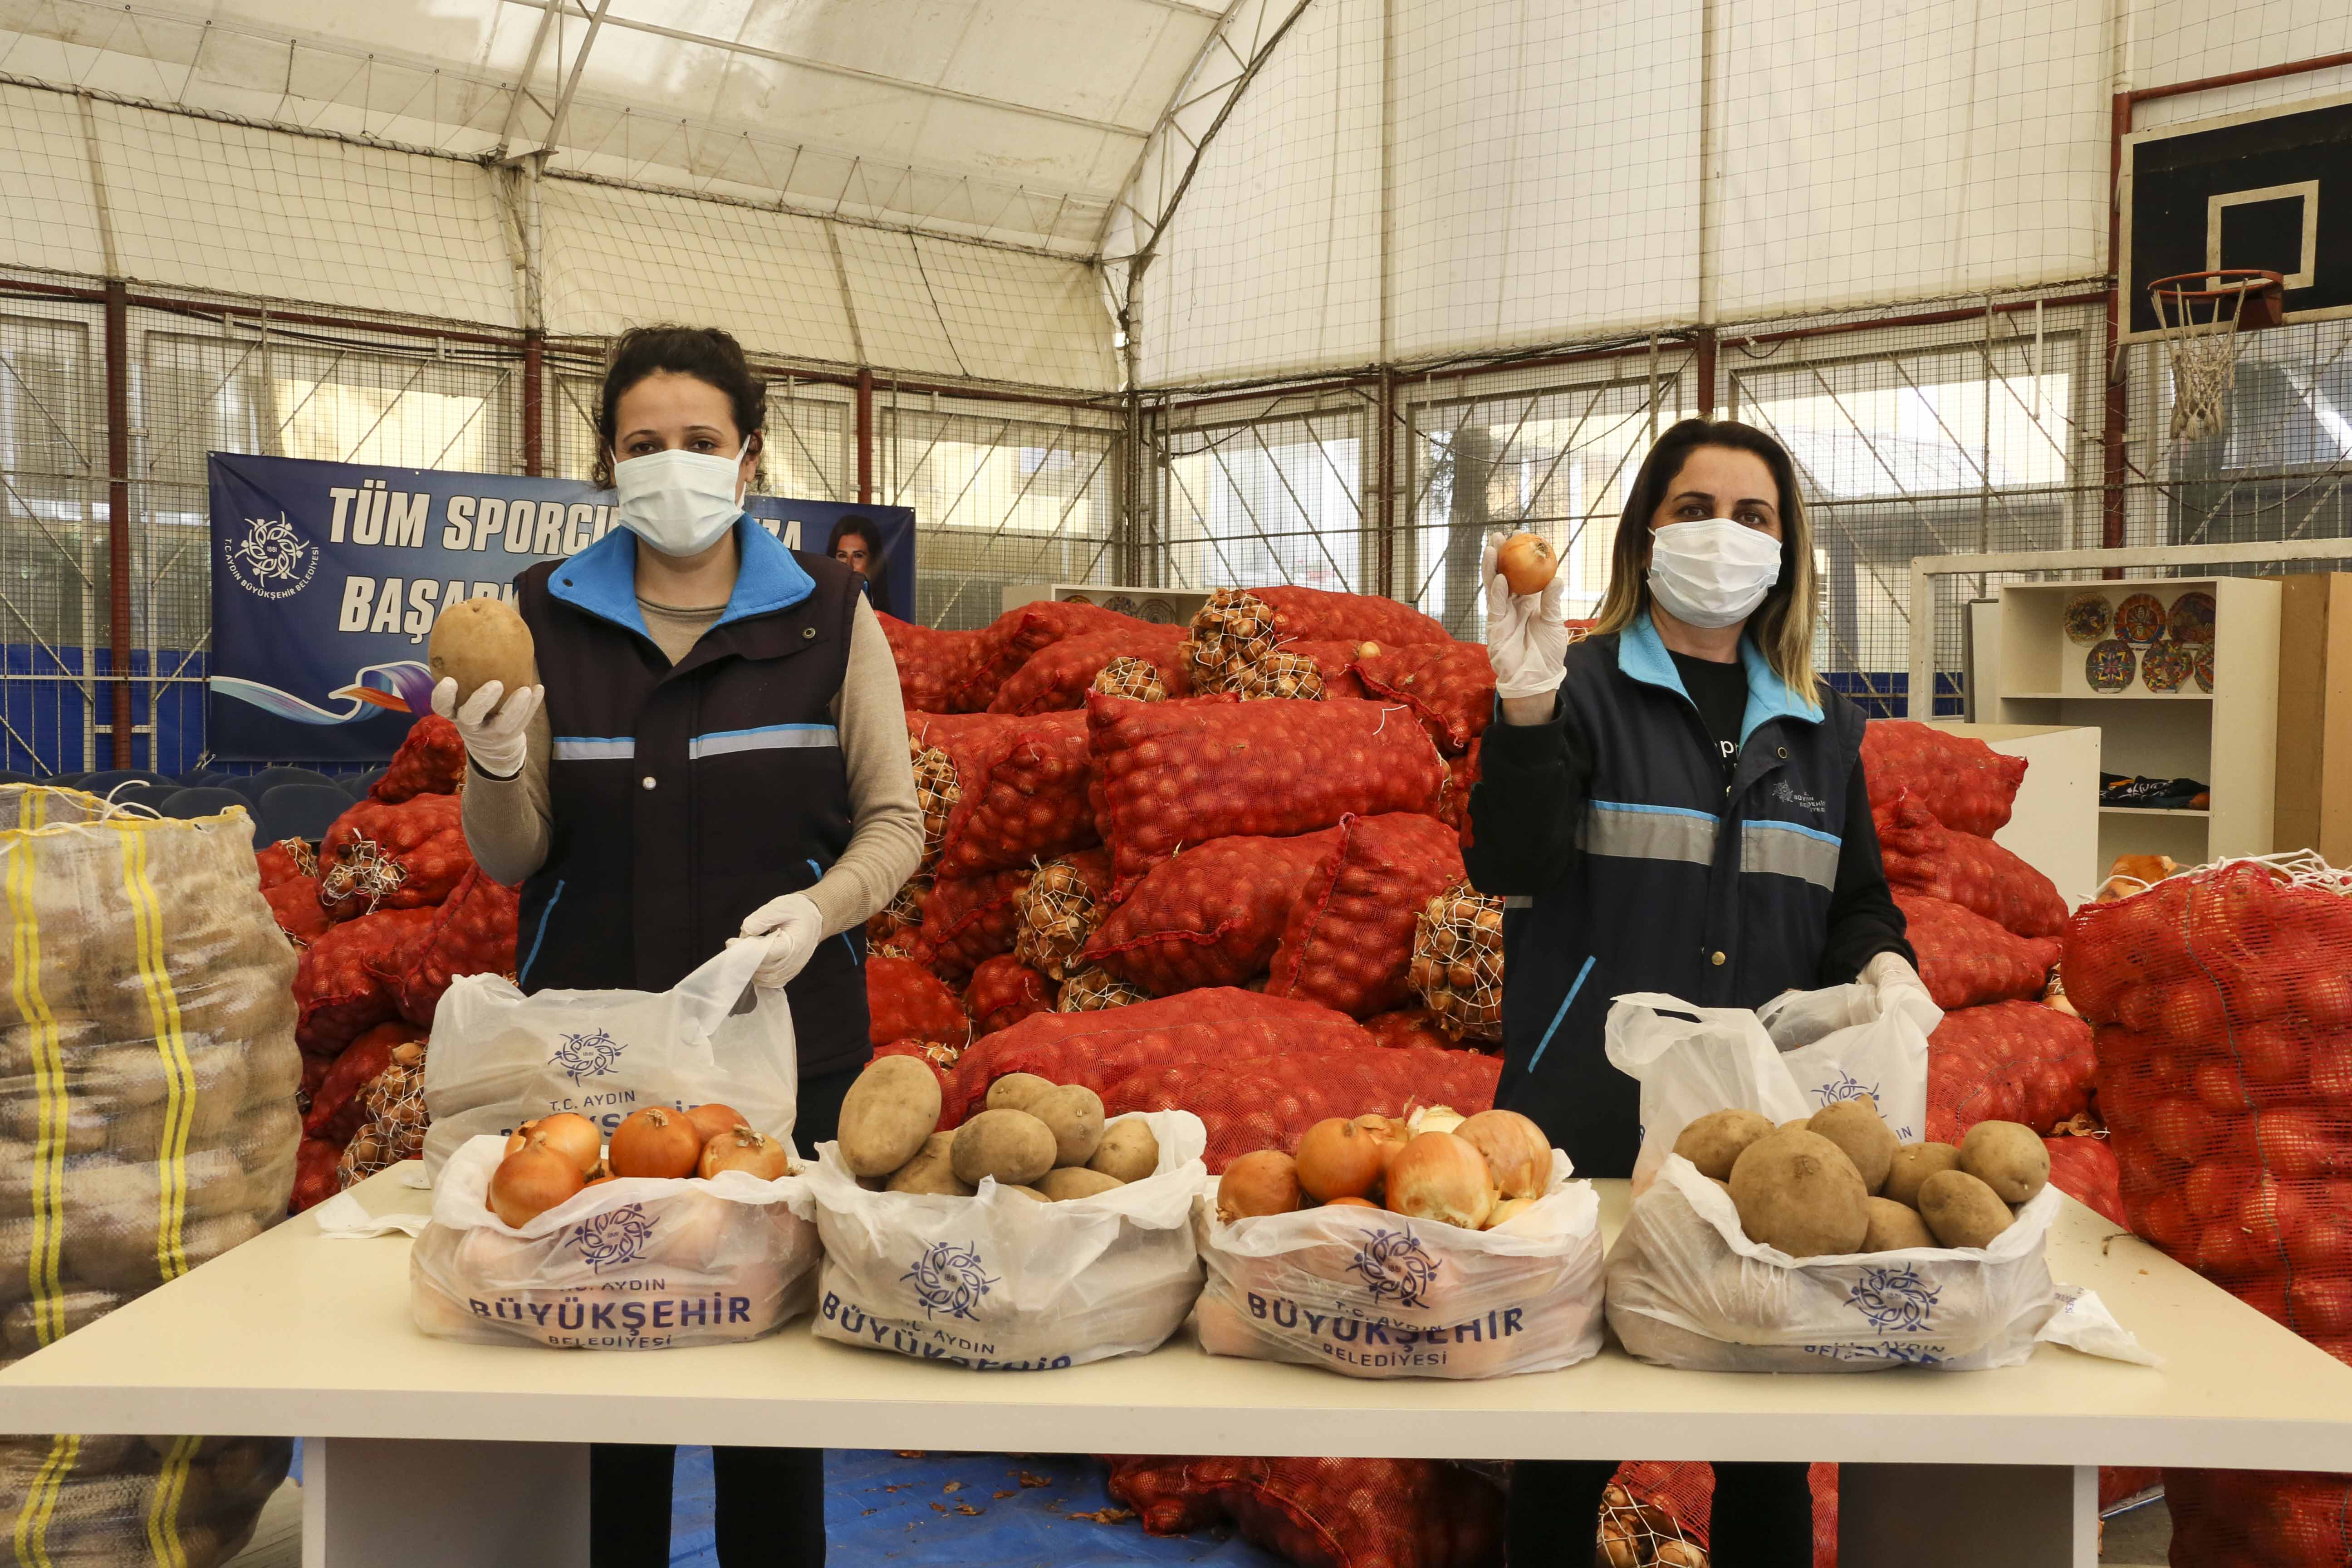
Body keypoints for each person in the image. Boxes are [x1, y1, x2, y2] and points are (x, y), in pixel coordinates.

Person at [435, 324, 923, 1568]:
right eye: (645, 445)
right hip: (594, 1064)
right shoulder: (544, 615)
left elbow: (895, 824)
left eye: (700, 442)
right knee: (604, 1386)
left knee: (768, 1389)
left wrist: (822, 912)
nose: (674, 465)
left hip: (786, 1056)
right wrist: (495, 762)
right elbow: (511, 851)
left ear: (747, 458)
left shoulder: (828, 614)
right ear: (611, 461)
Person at [1465, 418, 1923, 1568]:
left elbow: (1853, 898)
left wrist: (1884, 963)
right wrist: (1522, 712)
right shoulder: (1575, 685)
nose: (1723, 534)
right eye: (1694, 508)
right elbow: (1508, 866)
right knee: (1565, 1430)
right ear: (1647, 530)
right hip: (1582, 1113)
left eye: (1752, 515)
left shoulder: (1822, 732)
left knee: (1761, 1433)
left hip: (1752, 1135)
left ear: (1786, 547)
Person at [825, 514, 889, 610]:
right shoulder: (820, 612)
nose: (849, 565)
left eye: (858, 556)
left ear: (873, 562)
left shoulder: (888, 620)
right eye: (842, 556)